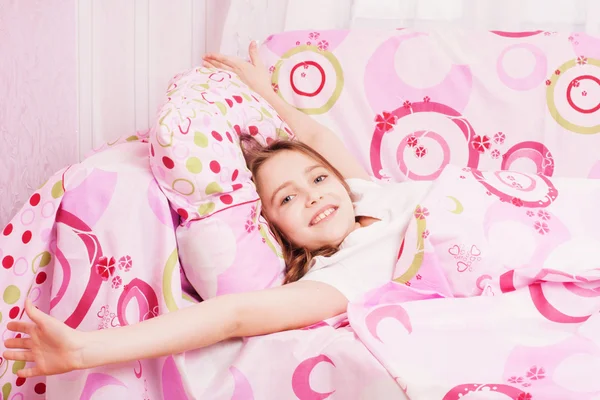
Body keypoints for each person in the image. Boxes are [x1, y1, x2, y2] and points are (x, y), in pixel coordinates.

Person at [2, 41, 429, 378]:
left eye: (317, 179)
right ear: (276, 231)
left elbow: (314, 135)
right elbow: (232, 316)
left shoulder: (367, 195)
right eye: (287, 198)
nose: (313, 195)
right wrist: (82, 350)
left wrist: (262, 89)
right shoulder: (342, 276)